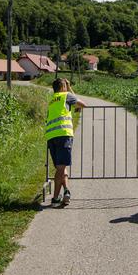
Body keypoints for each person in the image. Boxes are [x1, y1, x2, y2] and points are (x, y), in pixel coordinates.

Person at [45, 77, 86, 206]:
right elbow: (83, 105)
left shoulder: (52, 100)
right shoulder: (66, 95)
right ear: (63, 87)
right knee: (61, 168)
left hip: (51, 136)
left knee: (60, 167)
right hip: (63, 134)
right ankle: (55, 198)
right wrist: (70, 88)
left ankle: (66, 191)